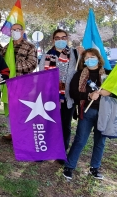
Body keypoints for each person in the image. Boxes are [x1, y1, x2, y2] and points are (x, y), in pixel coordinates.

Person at [63, 48, 112, 180]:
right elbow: (73, 93)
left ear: (98, 58)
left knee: (100, 141)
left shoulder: (108, 74)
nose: (90, 59)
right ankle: (69, 167)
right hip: (86, 111)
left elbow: (116, 92)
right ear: (84, 61)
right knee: (80, 140)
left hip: (104, 112)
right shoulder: (79, 74)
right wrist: (89, 95)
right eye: (87, 58)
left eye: (93, 56)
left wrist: (109, 92)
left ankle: (94, 168)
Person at [38, 29, 77, 162]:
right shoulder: (46, 56)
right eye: (57, 37)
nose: (60, 40)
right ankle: (44, 152)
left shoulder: (74, 54)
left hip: (67, 98)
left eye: (63, 37)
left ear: (67, 38)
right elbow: (42, 76)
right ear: (53, 40)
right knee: (48, 124)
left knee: (65, 126)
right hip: (50, 97)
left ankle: (61, 153)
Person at [0, 23, 37, 140]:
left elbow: (32, 64)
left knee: (22, 110)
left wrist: (12, 66)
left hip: (23, 84)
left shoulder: (30, 47)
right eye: (12, 30)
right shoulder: (6, 47)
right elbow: (1, 62)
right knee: (10, 109)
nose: (15, 32)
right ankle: (13, 133)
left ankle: (23, 135)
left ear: (22, 31)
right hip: (8, 84)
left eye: (17, 29)